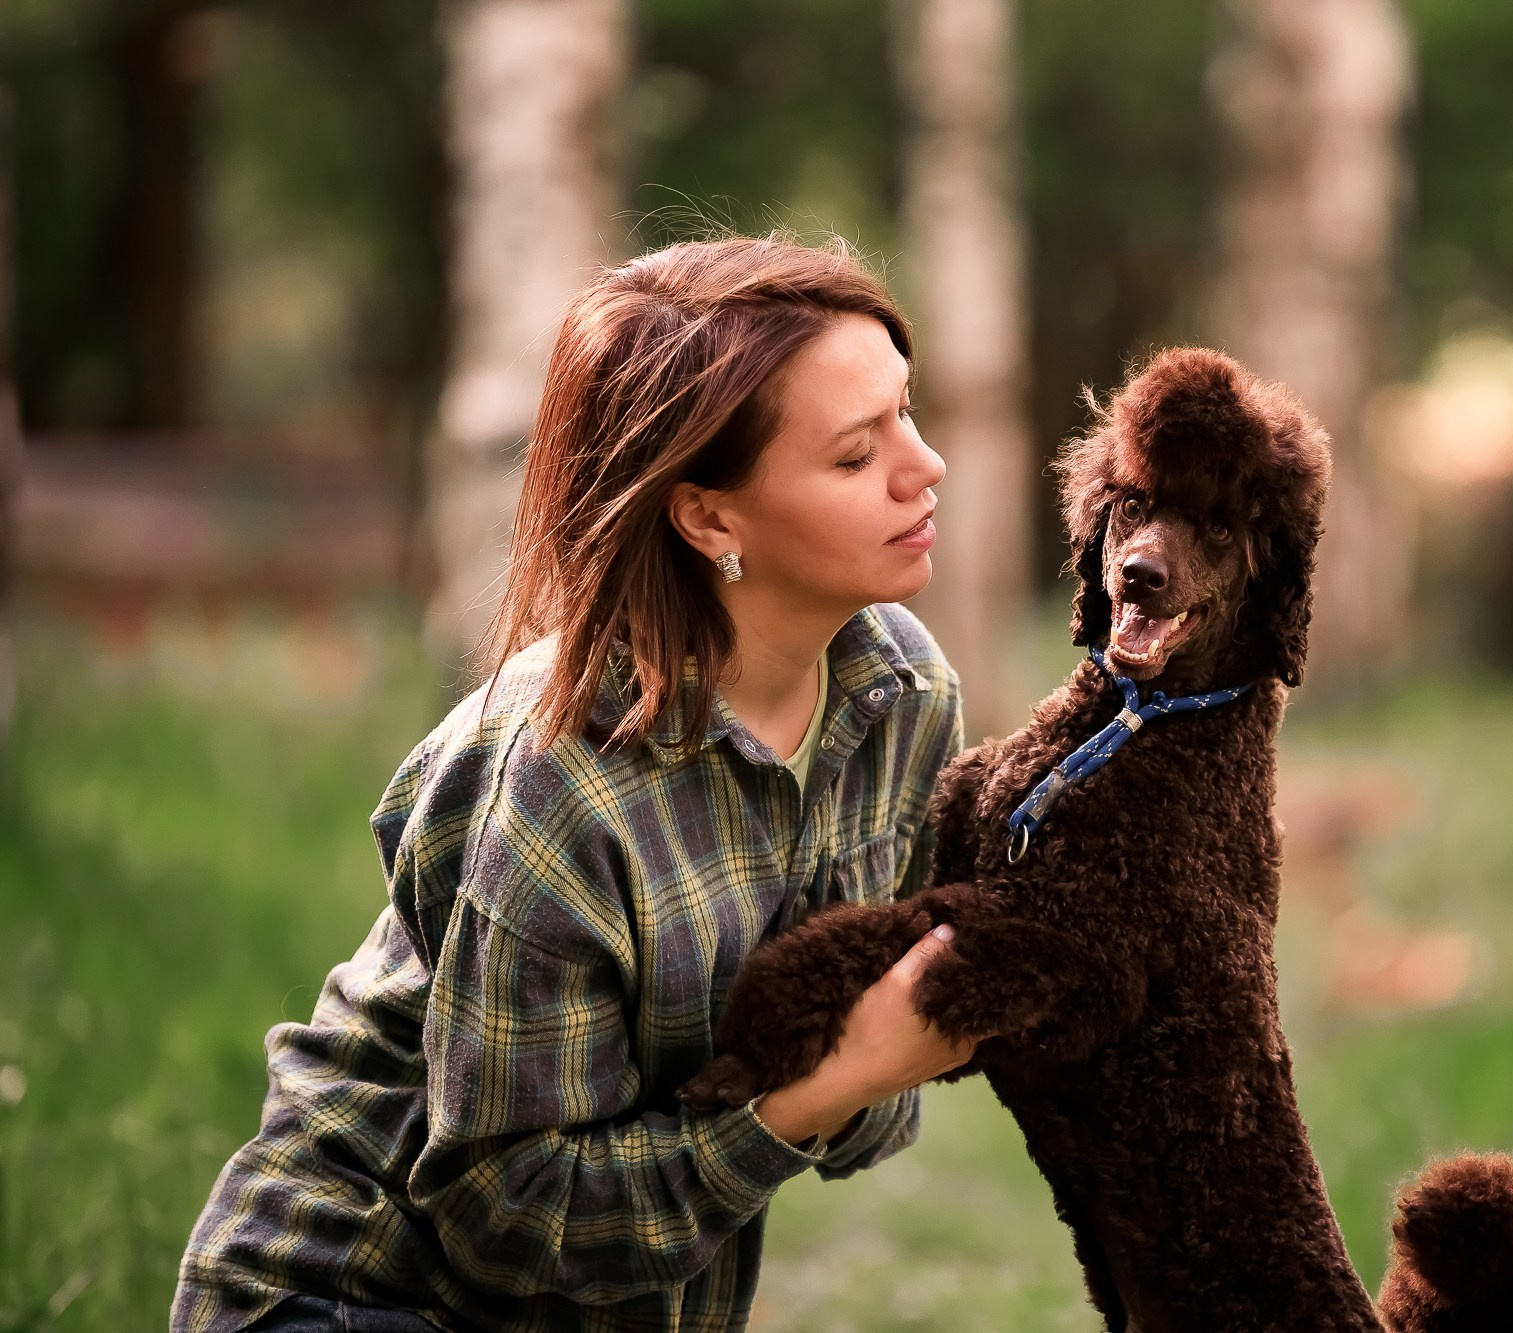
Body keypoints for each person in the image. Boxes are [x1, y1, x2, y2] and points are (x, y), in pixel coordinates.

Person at [172, 234, 980, 1332]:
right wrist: (819, 1095)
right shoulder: (564, 785)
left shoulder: (901, 696)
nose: (922, 465)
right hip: (356, 1298)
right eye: (852, 455)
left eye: (907, 410)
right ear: (708, 518)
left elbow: (881, 1068)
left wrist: (866, 1071)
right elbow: (501, 1213)